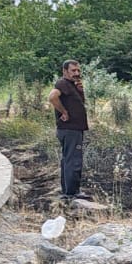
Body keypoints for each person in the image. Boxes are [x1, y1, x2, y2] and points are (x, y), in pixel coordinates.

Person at [47, 59, 89, 200]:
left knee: (68, 159)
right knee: (73, 160)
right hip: (70, 129)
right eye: (73, 71)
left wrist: (79, 90)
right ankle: (72, 193)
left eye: (78, 70)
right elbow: (52, 97)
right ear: (65, 71)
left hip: (73, 129)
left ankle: (67, 191)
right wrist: (63, 112)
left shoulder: (72, 85)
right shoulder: (62, 83)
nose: (76, 73)